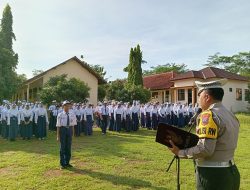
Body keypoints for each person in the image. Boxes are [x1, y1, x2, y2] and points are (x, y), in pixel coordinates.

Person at [168, 79, 240, 190]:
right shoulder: (230, 114)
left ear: (207, 97)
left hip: (213, 176)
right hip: (231, 171)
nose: (198, 100)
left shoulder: (208, 115)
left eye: (199, 95)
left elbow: (205, 149)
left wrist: (180, 152)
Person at [56, 100, 76, 169]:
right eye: (65, 105)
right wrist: (58, 136)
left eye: (68, 105)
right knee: (63, 147)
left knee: (68, 147)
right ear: (63, 106)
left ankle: (67, 162)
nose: (67, 107)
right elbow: (58, 126)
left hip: (69, 130)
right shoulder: (60, 114)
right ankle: (62, 163)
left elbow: (73, 124)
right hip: (63, 130)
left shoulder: (72, 114)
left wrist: (73, 133)